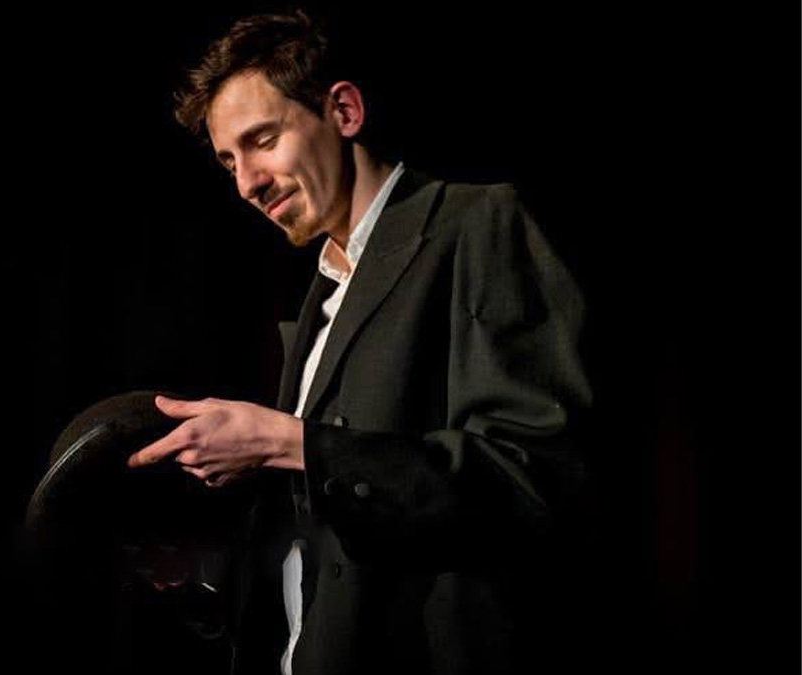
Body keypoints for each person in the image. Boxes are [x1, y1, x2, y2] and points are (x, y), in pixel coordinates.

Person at [126, 10, 592, 675]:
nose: (247, 183)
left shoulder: (478, 224)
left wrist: (288, 442)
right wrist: (212, 561)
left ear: (343, 111)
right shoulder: (324, 292)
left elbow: (530, 481)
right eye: (230, 161)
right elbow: (335, 534)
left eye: (263, 141)